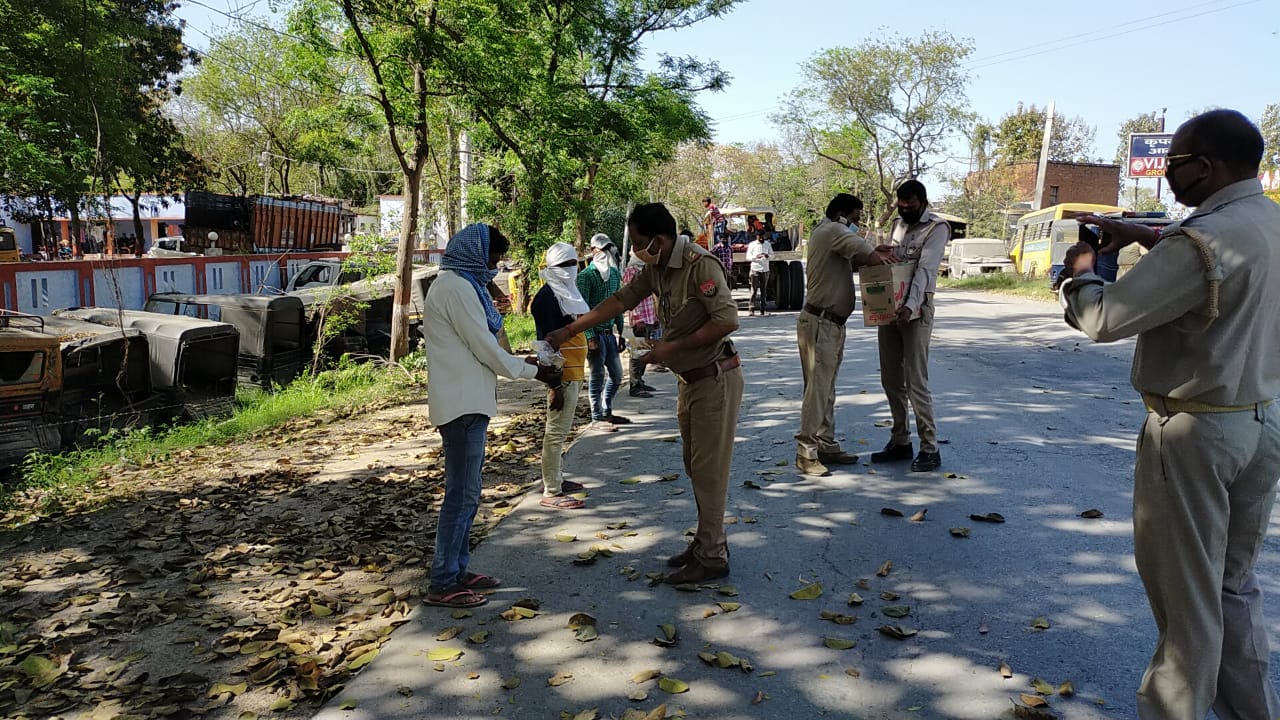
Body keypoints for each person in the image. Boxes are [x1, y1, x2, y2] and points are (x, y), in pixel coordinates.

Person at [1059, 109, 1280, 720]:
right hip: (1260, 422)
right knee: (1232, 589)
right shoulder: (1266, 223)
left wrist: (1081, 273)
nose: (1166, 174)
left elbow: (1104, 319)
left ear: (1203, 167)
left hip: (1193, 432)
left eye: (1173, 163)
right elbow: (1223, 271)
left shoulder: (1198, 242)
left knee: (1187, 603)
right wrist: (1145, 235)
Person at [547, 203, 742, 585]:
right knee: (696, 467)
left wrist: (672, 348)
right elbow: (621, 300)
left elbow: (727, 319)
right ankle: (707, 541)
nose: (636, 250)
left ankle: (712, 556)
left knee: (709, 472)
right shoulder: (657, 268)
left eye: (639, 242)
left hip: (715, 379)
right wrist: (571, 330)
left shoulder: (700, 265)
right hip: (690, 380)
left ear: (660, 239)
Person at [421, 223, 562, 608]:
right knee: (461, 496)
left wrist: (525, 364)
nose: (495, 267)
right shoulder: (456, 288)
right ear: (475, 255)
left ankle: (457, 570)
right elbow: (485, 348)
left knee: (467, 494)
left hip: (468, 400)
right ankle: (443, 581)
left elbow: (481, 346)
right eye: (493, 259)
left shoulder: (460, 285)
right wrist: (534, 371)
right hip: (462, 404)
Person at [794, 194, 887, 477]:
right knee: (818, 390)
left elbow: (857, 260)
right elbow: (873, 258)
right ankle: (806, 452)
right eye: (856, 219)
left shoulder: (827, 232)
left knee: (826, 389)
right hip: (821, 322)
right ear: (842, 215)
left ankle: (825, 444)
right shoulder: (835, 230)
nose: (857, 225)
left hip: (829, 323)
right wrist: (880, 254)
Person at [870, 179, 948, 473]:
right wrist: (880, 252)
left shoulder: (936, 228)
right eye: (901, 206)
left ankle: (930, 447)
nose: (905, 210)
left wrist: (910, 306)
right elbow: (895, 263)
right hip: (891, 308)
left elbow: (925, 271)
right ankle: (900, 440)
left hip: (916, 308)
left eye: (910, 206)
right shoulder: (898, 225)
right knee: (891, 378)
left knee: (916, 381)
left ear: (922, 202)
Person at [530, 242, 591, 510]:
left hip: (574, 371)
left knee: (562, 431)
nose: (571, 269)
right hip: (562, 374)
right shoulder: (546, 298)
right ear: (553, 267)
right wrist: (554, 384)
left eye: (574, 263)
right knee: (555, 433)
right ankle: (551, 490)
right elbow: (546, 346)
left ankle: (557, 478)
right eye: (565, 264)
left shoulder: (568, 291)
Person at [577, 233, 629, 429]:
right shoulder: (586, 277)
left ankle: (606, 410)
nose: (606, 252)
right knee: (597, 376)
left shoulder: (614, 275)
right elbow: (583, 310)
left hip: (609, 334)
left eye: (608, 248)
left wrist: (621, 332)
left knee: (616, 375)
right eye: (602, 249)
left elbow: (618, 305)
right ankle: (597, 416)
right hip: (595, 335)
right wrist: (590, 337)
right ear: (593, 251)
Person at [622, 257, 658, 398]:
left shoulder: (648, 269)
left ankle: (640, 381)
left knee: (645, 351)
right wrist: (638, 319)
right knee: (637, 353)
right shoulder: (632, 270)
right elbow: (631, 296)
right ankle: (635, 385)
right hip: (641, 318)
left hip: (650, 316)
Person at [746, 231, 772, 316]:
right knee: (754, 290)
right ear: (756, 236)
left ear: (764, 236)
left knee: (764, 291)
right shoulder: (752, 245)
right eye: (759, 236)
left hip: (765, 270)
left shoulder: (767, 244)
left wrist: (768, 256)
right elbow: (748, 257)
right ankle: (751, 309)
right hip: (755, 269)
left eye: (762, 236)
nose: (761, 238)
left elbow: (772, 255)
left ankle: (763, 310)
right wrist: (756, 257)